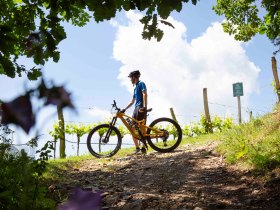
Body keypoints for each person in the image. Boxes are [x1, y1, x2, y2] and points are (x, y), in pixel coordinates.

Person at [122, 70, 148, 154]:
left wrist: (144, 107)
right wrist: (124, 109)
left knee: (142, 127)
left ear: (134, 77)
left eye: (131, 78)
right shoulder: (135, 87)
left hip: (140, 108)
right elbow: (132, 101)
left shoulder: (141, 83)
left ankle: (143, 148)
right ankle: (137, 148)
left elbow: (145, 94)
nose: (130, 80)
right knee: (132, 128)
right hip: (135, 108)